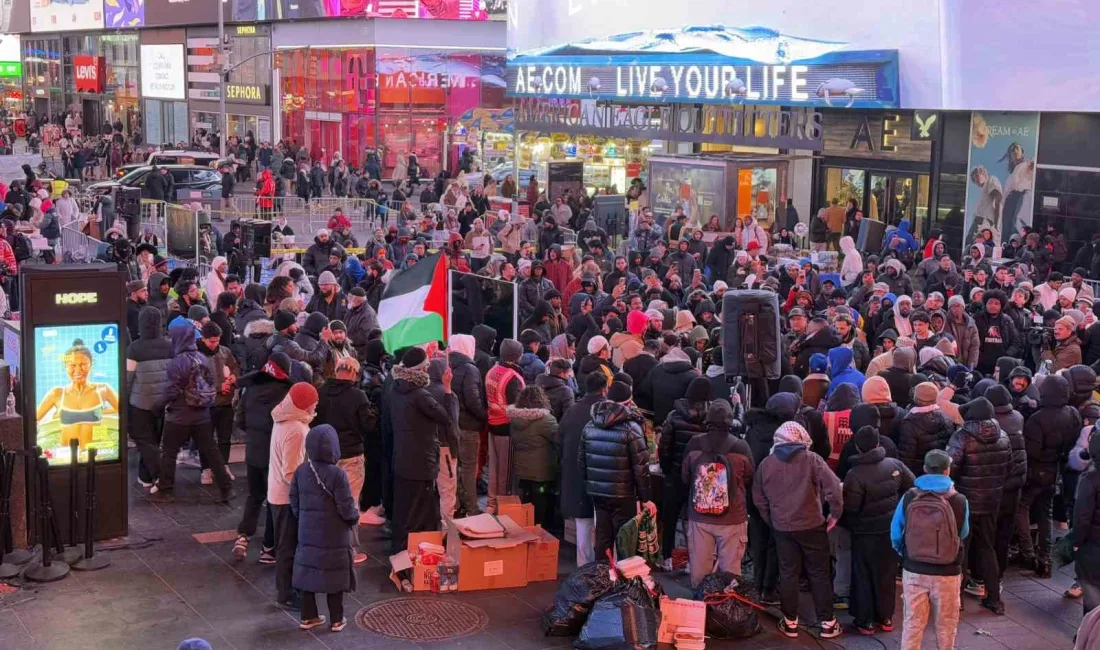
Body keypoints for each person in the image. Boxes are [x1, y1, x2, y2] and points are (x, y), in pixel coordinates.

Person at [752, 421, 843, 639]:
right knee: (819, 573)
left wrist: (772, 520)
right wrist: (835, 514)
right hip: (812, 525)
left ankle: (790, 622)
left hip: (782, 528)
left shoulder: (766, 464)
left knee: (788, 573)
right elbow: (834, 489)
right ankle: (828, 623)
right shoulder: (813, 460)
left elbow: (758, 498)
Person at [891, 449, 970, 650]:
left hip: (914, 569)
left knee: (913, 622)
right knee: (946, 624)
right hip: (948, 572)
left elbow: (896, 533)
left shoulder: (910, 497)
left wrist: (907, 554)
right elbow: (962, 533)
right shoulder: (959, 500)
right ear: (947, 471)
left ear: (925, 469)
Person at [842, 425, 915, 634]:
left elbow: (851, 508)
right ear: (877, 444)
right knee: (887, 573)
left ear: (858, 447)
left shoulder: (854, 474)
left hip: (864, 532)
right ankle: (886, 617)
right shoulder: (895, 464)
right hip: (890, 530)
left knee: (862, 574)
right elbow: (912, 488)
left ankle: (865, 621)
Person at [150, 320, 232, 503]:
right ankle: (226, 487)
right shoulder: (202, 357)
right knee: (211, 450)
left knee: (169, 452)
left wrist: (158, 405)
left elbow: (171, 390)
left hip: (179, 416)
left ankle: (166, 489)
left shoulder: (177, 362)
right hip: (202, 414)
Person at [388, 347, 458, 554]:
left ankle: (401, 550)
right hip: (421, 462)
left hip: (401, 459)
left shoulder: (396, 388)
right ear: (420, 370)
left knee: (405, 511)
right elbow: (448, 418)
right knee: (421, 512)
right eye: (426, 366)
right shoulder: (420, 395)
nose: (429, 368)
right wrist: (447, 389)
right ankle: (418, 553)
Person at [290, 425, 359, 632]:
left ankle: (308, 617)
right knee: (335, 576)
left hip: (307, 532)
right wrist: (353, 519)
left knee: (308, 572)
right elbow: (346, 506)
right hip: (335, 535)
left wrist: (303, 518)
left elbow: (293, 499)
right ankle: (336, 620)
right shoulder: (337, 474)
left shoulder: (302, 470)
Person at [682, 399, 754, 587]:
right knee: (730, 571)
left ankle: (701, 607)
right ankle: (727, 610)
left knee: (699, 570)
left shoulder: (694, 444)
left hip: (699, 516)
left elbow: (685, 477)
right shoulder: (741, 447)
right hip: (732, 518)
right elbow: (749, 478)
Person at [1017, 374, 1080, 578]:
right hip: (1056, 471)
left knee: (1022, 507)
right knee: (1046, 512)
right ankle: (1046, 559)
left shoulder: (1037, 418)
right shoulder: (1072, 413)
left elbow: (1031, 451)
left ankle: (1028, 552)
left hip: (1036, 470)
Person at [232, 352, 293, 560]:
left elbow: (239, 419)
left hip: (253, 451)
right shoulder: (287, 392)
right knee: (274, 500)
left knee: (254, 495)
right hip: (275, 455)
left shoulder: (251, 388)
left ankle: (243, 537)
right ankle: (268, 549)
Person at [579, 384, 652, 560]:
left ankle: (601, 577)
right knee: (625, 539)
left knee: (603, 537)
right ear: (628, 402)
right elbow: (641, 467)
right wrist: (645, 498)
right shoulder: (631, 428)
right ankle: (623, 581)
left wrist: (589, 486)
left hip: (597, 492)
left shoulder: (590, 425)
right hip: (623, 494)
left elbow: (582, 461)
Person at [315, 356, 374, 565]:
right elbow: (368, 425)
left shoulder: (321, 392)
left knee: (328, 502)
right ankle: (348, 550)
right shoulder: (358, 396)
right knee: (350, 503)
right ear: (354, 374)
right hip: (351, 456)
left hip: (326, 456)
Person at [268, 382, 318, 610]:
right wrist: (306, 493)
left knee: (284, 546)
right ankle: (287, 593)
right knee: (288, 548)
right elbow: (291, 471)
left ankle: (288, 589)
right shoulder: (296, 430)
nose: (316, 406)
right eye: (314, 403)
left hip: (277, 493)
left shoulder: (283, 419)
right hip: (287, 498)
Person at [658, 377, 712, 568]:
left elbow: (664, 447)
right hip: (700, 477)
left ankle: (667, 558)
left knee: (670, 517)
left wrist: (666, 468)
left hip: (674, 474)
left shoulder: (674, 416)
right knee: (693, 520)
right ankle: (692, 561)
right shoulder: (709, 417)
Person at [126, 307, 172, 490]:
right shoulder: (169, 345)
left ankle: (161, 476)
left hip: (140, 403)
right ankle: (145, 478)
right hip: (162, 403)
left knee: (145, 442)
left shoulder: (134, 348)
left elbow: (128, 379)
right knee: (154, 440)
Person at [446, 334, 486, 517]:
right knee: (469, 467)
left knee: (455, 466)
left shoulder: (446, 365)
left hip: (451, 424)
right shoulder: (470, 369)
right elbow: (473, 399)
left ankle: (457, 504)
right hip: (469, 425)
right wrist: (483, 416)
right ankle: (471, 506)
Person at [509, 386, 559, 525]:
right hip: (541, 470)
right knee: (540, 503)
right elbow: (558, 439)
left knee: (526, 501)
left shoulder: (515, 419)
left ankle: (526, 527)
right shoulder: (546, 420)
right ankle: (539, 531)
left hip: (521, 468)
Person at [485, 339, 525, 512]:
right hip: (506, 426)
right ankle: (504, 508)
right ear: (516, 356)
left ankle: (491, 504)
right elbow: (515, 407)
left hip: (492, 423)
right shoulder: (512, 377)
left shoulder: (493, 370)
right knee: (506, 473)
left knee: (494, 470)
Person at [197, 322, 239, 486]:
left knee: (224, 437)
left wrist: (233, 377)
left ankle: (223, 465)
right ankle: (205, 468)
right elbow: (196, 381)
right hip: (206, 404)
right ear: (203, 338)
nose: (215, 344)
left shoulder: (225, 352)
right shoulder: (196, 355)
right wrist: (218, 387)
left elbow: (235, 367)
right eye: (211, 341)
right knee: (205, 438)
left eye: (217, 341)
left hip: (225, 402)